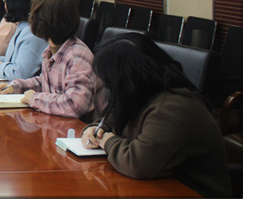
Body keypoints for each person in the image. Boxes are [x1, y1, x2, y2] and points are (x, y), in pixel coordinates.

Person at [81, 33, 230, 198]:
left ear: (126, 79)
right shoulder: (143, 92)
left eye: (110, 84)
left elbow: (137, 163)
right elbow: (112, 114)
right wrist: (97, 128)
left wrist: (106, 140)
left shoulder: (171, 108)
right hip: (158, 186)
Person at [0, 0, 107, 121]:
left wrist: (34, 98)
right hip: (59, 123)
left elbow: (74, 105)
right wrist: (16, 86)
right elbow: (46, 82)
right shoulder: (51, 49)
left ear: (45, 21)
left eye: (34, 15)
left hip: (81, 129)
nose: (30, 20)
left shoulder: (77, 56)